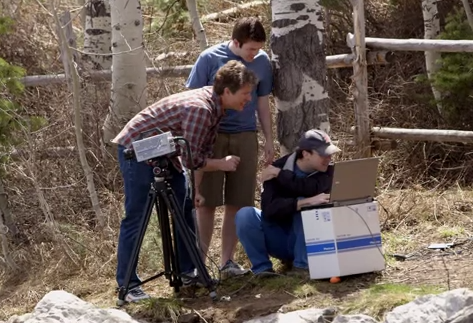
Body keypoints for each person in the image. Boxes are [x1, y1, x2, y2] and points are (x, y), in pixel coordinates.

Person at [111, 60, 258, 303]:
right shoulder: (200, 108)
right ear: (228, 91)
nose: (249, 99)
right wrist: (222, 163)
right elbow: (195, 159)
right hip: (136, 150)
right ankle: (128, 286)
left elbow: (195, 152)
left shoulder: (216, 108)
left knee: (185, 206)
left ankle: (187, 272)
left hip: (164, 152)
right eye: (245, 94)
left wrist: (197, 190)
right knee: (136, 217)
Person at [185, 17, 274, 279]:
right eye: (250, 49)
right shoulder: (209, 58)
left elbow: (262, 102)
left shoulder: (262, 62)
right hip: (212, 135)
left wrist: (268, 138)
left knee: (239, 200)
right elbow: (191, 98)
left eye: (257, 49)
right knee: (206, 202)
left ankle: (227, 263)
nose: (254, 54)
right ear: (235, 42)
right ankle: (199, 266)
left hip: (246, 134)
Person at [234, 129, 341, 275]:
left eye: (330, 154)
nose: (328, 158)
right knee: (245, 215)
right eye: (324, 154)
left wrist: (280, 176)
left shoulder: (328, 171)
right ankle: (262, 269)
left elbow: (310, 188)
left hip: (313, 244)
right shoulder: (278, 166)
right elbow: (269, 209)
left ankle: (302, 266)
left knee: (310, 205)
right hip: (280, 238)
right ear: (306, 154)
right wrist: (300, 203)